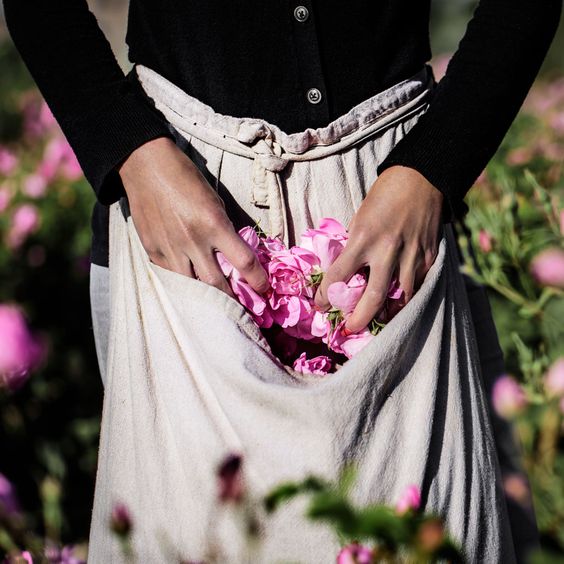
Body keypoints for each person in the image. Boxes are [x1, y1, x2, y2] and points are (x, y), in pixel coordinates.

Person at [3, 1, 561, 561]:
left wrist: (437, 164)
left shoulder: (417, 191)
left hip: (395, 206)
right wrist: (128, 148)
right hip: (181, 203)